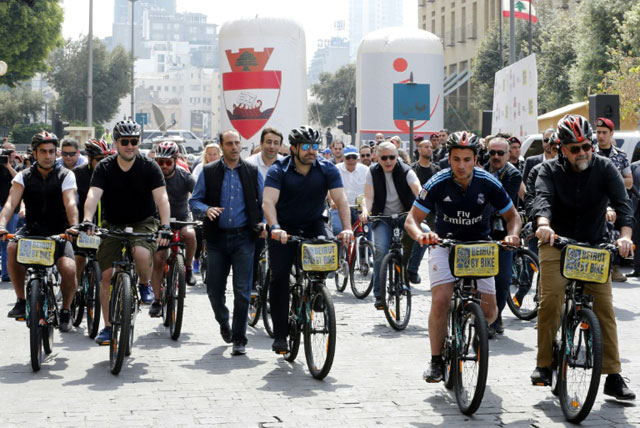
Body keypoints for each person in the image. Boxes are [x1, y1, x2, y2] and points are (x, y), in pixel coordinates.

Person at [530, 114, 635, 400]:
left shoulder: (604, 167)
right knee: (550, 299)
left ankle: (613, 376)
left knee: (604, 308)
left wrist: (625, 236)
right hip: (556, 242)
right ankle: (544, 364)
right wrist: (543, 225)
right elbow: (542, 200)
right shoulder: (548, 170)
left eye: (587, 146)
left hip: (594, 245)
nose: (583, 153)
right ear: (561, 148)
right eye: (575, 148)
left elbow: (623, 206)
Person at [404, 131, 521, 382]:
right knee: (441, 300)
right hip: (444, 244)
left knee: (490, 312)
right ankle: (436, 361)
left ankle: (472, 324)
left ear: (476, 159)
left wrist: (512, 236)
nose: (461, 165)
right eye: (456, 159)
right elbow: (412, 220)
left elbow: (513, 217)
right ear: (449, 157)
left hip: (480, 247)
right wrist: (420, 236)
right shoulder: (437, 181)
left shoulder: (489, 182)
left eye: (467, 159)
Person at [263, 126, 353, 354]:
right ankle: (281, 334)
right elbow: (268, 203)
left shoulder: (327, 169)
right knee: (280, 277)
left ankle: (317, 290)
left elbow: (341, 200)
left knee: (328, 248)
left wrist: (348, 228)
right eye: (306, 146)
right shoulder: (278, 170)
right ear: (294, 148)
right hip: (283, 228)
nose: (312, 151)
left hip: (314, 222)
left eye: (315, 146)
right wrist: (274, 228)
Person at [81, 120, 171, 345]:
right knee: (106, 275)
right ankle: (108, 327)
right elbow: (93, 195)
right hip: (113, 224)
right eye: (125, 142)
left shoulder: (149, 166)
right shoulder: (105, 166)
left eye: (134, 141)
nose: (130, 146)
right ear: (116, 143)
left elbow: (162, 198)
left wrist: (166, 226)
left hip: (144, 222)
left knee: (141, 253)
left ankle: (143, 283)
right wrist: (87, 220)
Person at [189, 129, 265, 355]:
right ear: (221, 147)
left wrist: (262, 224)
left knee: (242, 292)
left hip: (244, 238)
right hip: (217, 240)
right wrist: (206, 209)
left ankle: (239, 338)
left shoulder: (252, 171)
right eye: (229, 143)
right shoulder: (209, 171)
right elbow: (195, 200)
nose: (234, 147)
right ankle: (224, 322)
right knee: (214, 289)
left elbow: (263, 202)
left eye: (237, 143)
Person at [0, 131, 78, 332]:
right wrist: (1, 224)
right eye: (43, 151)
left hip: (60, 233)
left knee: (69, 269)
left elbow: (70, 203)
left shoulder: (66, 175)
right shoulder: (22, 176)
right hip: (32, 231)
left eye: (52, 151)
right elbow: (10, 203)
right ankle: (20, 301)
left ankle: (66, 310)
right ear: (34, 153)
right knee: (11, 247)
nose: (48, 156)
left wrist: (74, 226)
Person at [360, 142, 422, 305]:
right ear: (377, 158)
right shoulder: (372, 171)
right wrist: (366, 211)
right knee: (380, 250)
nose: (388, 161)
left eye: (392, 157)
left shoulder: (406, 170)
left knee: (425, 234)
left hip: (405, 216)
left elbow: (418, 189)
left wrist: (425, 203)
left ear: (397, 157)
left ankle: (412, 271)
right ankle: (379, 295)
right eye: (384, 158)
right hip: (382, 218)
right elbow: (368, 197)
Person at [149, 141, 197, 319]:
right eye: (160, 162)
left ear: (176, 161)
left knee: (190, 234)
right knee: (158, 258)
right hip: (158, 222)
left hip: (181, 219)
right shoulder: (152, 178)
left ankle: (189, 268)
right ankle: (156, 300)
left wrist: (203, 210)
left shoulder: (185, 176)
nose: (164, 166)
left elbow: (198, 195)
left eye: (168, 162)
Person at [484, 136, 522, 337]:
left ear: (508, 155)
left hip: (503, 231)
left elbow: (502, 201)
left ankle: (496, 316)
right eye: (492, 153)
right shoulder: (480, 169)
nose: (496, 157)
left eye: (500, 153)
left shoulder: (513, 174)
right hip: (481, 227)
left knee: (503, 277)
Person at [593, 117, 632, 282]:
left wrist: (611, 181)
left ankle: (614, 267)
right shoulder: (590, 154)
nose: (600, 136)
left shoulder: (621, 156)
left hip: (616, 202)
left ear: (611, 134)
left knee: (616, 234)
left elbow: (629, 182)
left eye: (604, 132)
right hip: (595, 203)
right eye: (598, 132)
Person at [73, 138, 111, 286]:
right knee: (79, 258)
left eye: (107, 159)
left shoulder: (112, 171)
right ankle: (73, 286)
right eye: (100, 160)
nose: (104, 163)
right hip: (84, 225)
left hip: (106, 225)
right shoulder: (78, 173)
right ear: (89, 159)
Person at [329, 146, 368, 236]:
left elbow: (369, 192)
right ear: (343, 158)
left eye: (353, 157)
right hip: (339, 207)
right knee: (338, 230)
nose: (351, 160)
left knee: (366, 231)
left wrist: (365, 209)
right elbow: (329, 188)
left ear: (358, 158)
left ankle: (366, 249)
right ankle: (340, 250)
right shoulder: (336, 169)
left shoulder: (365, 170)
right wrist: (331, 200)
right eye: (348, 157)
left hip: (359, 208)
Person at [0, 142, 20, 281]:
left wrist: (8, 166)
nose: (9, 154)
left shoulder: (17, 166)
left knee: (7, 241)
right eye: (6, 152)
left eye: (11, 151)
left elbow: (19, 180)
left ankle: (6, 274)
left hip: (12, 209)